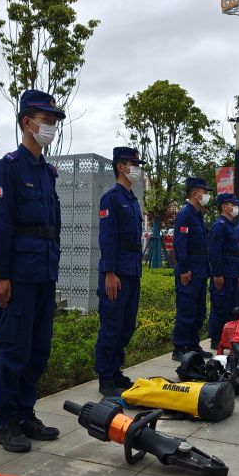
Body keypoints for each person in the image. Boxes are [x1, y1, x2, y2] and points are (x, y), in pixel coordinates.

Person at [0, 89, 63, 453]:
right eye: (45, 120)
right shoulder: (8, 167)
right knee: (14, 349)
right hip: (18, 275)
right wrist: (1, 275)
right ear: (26, 122)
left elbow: (53, 226)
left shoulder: (48, 172)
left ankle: (25, 414)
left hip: (44, 273)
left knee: (38, 349)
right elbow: (0, 225)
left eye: (53, 121)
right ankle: (5, 423)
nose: (50, 126)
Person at [95, 147, 146, 396]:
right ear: (120, 166)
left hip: (132, 271)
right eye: (132, 164)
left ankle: (115, 370)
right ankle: (105, 377)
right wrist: (110, 273)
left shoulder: (133, 200)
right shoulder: (111, 198)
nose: (136, 169)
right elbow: (108, 238)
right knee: (112, 325)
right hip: (116, 273)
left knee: (127, 326)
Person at [172, 178, 214, 361]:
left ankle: (192, 344)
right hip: (189, 271)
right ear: (195, 194)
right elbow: (180, 244)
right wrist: (184, 269)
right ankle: (179, 347)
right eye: (204, 192)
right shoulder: (185, 214)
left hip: (200, 271)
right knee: (186, 311)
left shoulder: (198, 215)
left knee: (199, 312)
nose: (207, 195)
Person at [208, 194, 239, 347]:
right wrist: (218, 273)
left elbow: (236, 253)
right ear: (224, 207)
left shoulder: (230, 225)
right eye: (232, 204)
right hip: (224, 274)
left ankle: (227, 337)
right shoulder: (219, 226)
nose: (234, 207)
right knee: (220, 307)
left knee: (230, 307)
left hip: (232, 273)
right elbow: (215, 252)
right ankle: (216, 339)